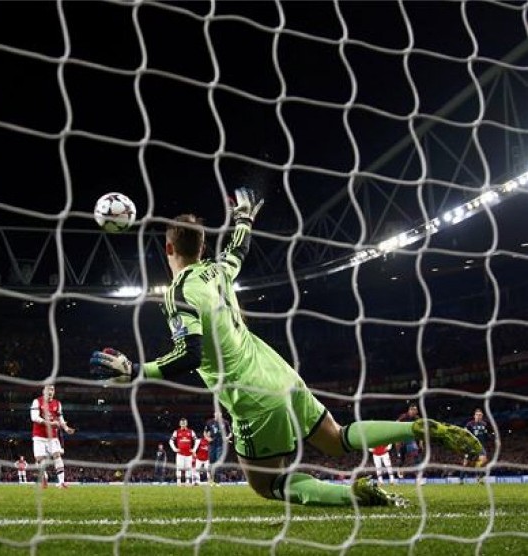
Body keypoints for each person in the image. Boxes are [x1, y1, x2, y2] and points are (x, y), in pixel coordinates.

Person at [90, 188, 483, 507]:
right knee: (337, 438)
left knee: (267, 485)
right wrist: (243, 218)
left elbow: (190, 354)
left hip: (252, 397)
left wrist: (136, 370)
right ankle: (415, 428)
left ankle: (353, 494)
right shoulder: (218, 272)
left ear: (169, 249)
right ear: (202, 247)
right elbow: (237, 251)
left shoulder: (178, 293)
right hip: (280, 372)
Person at [30, 384, 75, 488]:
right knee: (39, 459)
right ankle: (44, 478)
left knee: (57, 456)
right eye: (48, 389)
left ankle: (61, 482)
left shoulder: (57, 403)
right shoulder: (36, 401)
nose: (50, 391)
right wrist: (51, 424)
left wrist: (66, 428)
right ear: (43, 391)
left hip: (52, 437)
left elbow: (61, 418)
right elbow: (34, 418)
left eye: (52, 390)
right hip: (39, 436)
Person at [461, 408, 494, 484]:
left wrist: (491, 437)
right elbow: (464, 434)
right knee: (465, 463)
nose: (479, 416)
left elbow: (487, 434)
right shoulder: (469, 424)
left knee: (483, 461)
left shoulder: (484, 424)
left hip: (480, 446)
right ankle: (461, 479)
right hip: (471, 447)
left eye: (480, 415)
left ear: (482, 416)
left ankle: (479, 478)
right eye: (477, 415)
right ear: (474, 416)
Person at [204, 410, 232, 483]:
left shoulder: (225, 422)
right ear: (214, 415)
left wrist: (227, 438)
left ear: (221, 415)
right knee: (211, 462)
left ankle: (217, 481)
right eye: (216, 414)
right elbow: (205, 433)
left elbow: (230, 433)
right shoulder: (209, 422)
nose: (217, 416)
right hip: (212, 445)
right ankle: (210, 479)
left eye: (219, 415)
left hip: (220, 445)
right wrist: (207, 438)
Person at [169, 417, 197, 486]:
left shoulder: (191, 431)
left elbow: (196, 441)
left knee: (188, 468)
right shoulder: (176, 432)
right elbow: (171, 441)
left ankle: (187, 481)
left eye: (184, 423)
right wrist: (174, 449)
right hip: (180, 454)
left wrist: (194, 449)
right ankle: (178, 482)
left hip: (189, 454)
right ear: (180, 424)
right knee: (179, 467)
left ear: (186, 423)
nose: (183, 424)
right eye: (182, 423)